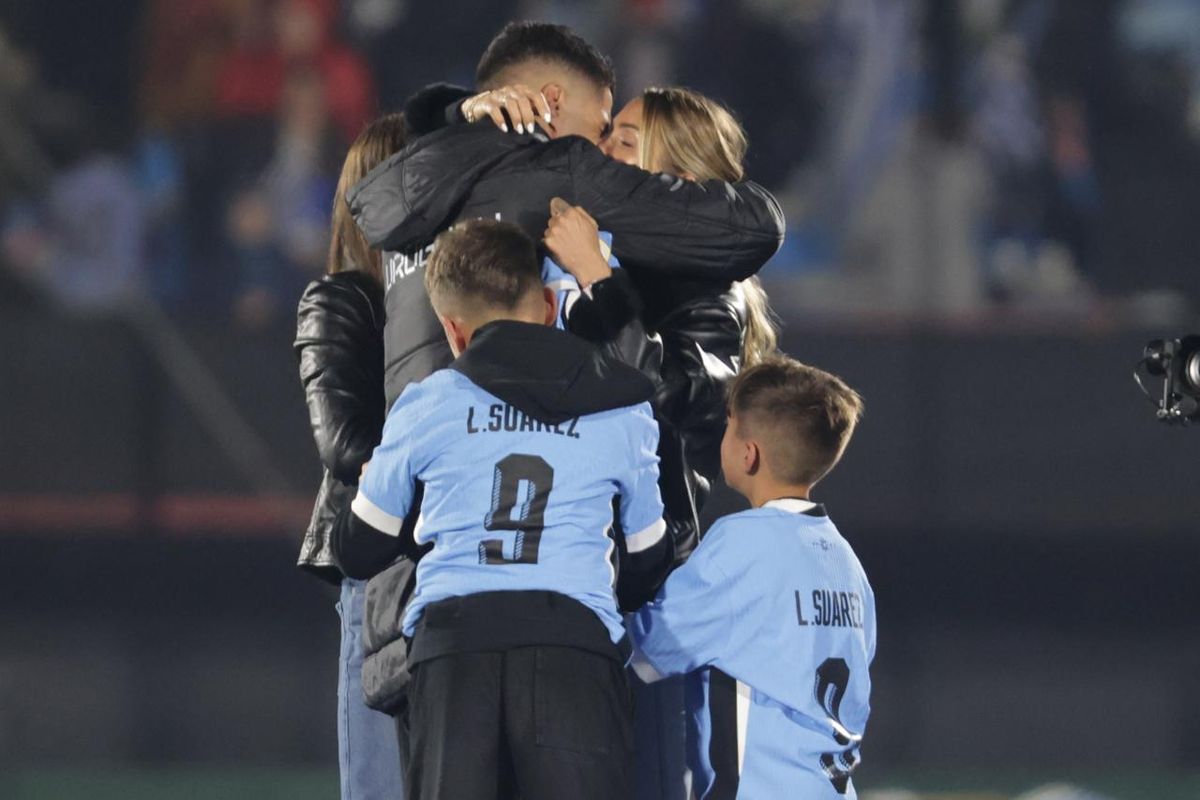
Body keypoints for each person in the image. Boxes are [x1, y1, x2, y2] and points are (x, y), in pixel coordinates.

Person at [332, 218, 672, 800]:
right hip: (574, 655)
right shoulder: (623, 406)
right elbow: (648, 563)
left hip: (454, 657)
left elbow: (357, 549)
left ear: (453, 331)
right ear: (545, 304)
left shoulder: (427, 403)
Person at [345, 21, 785, 411]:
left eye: (622, 143)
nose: (601, 153)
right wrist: (598, 278)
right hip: (517, 478)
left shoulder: (406, 196)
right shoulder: (567, 172)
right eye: (601, 130)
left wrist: (455, 110)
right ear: (551, 101)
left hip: (415, 476)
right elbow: (755, 228)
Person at [628, 358, 875, 799]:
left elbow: (650, 652)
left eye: (728, 425)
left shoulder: (742, 544)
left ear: (749, 453)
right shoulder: (847, 563)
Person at [293, 112, 407, 800]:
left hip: (452, 563)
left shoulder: (461, 304)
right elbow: (341, 441)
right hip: (379, 564)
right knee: (382, 780)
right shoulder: (341, 300)